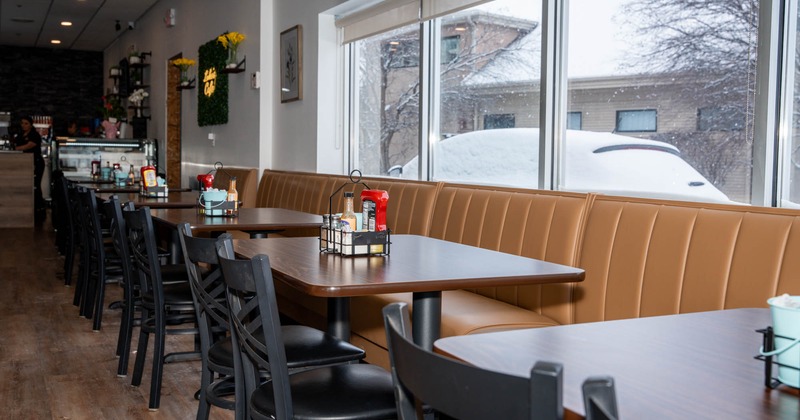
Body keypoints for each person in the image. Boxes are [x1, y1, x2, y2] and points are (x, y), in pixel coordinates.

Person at [14, 116, 46, 214]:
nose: (23, 125)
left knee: (35, 184)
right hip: (24, 162)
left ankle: (39, 208)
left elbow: (29, 145)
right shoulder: (20, 135)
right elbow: (15, 144)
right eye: (22, 123)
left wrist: (17, 149)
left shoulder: (34, 135)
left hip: (36, 162)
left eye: (26, 123)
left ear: (31, 124)